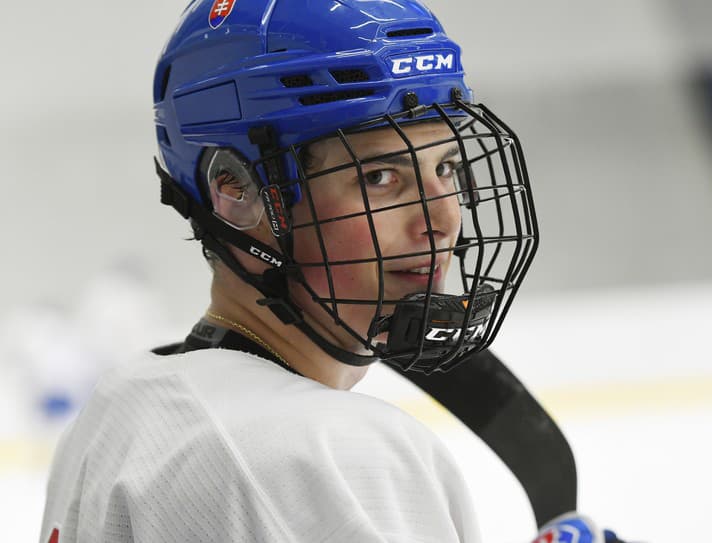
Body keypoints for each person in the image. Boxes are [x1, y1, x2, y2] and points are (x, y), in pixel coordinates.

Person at [40, 1, 615, 541]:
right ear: (236, 191)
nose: (443, 217)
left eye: (447, 167)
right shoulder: (323, 452)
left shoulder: (122, 409)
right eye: (380, 178)